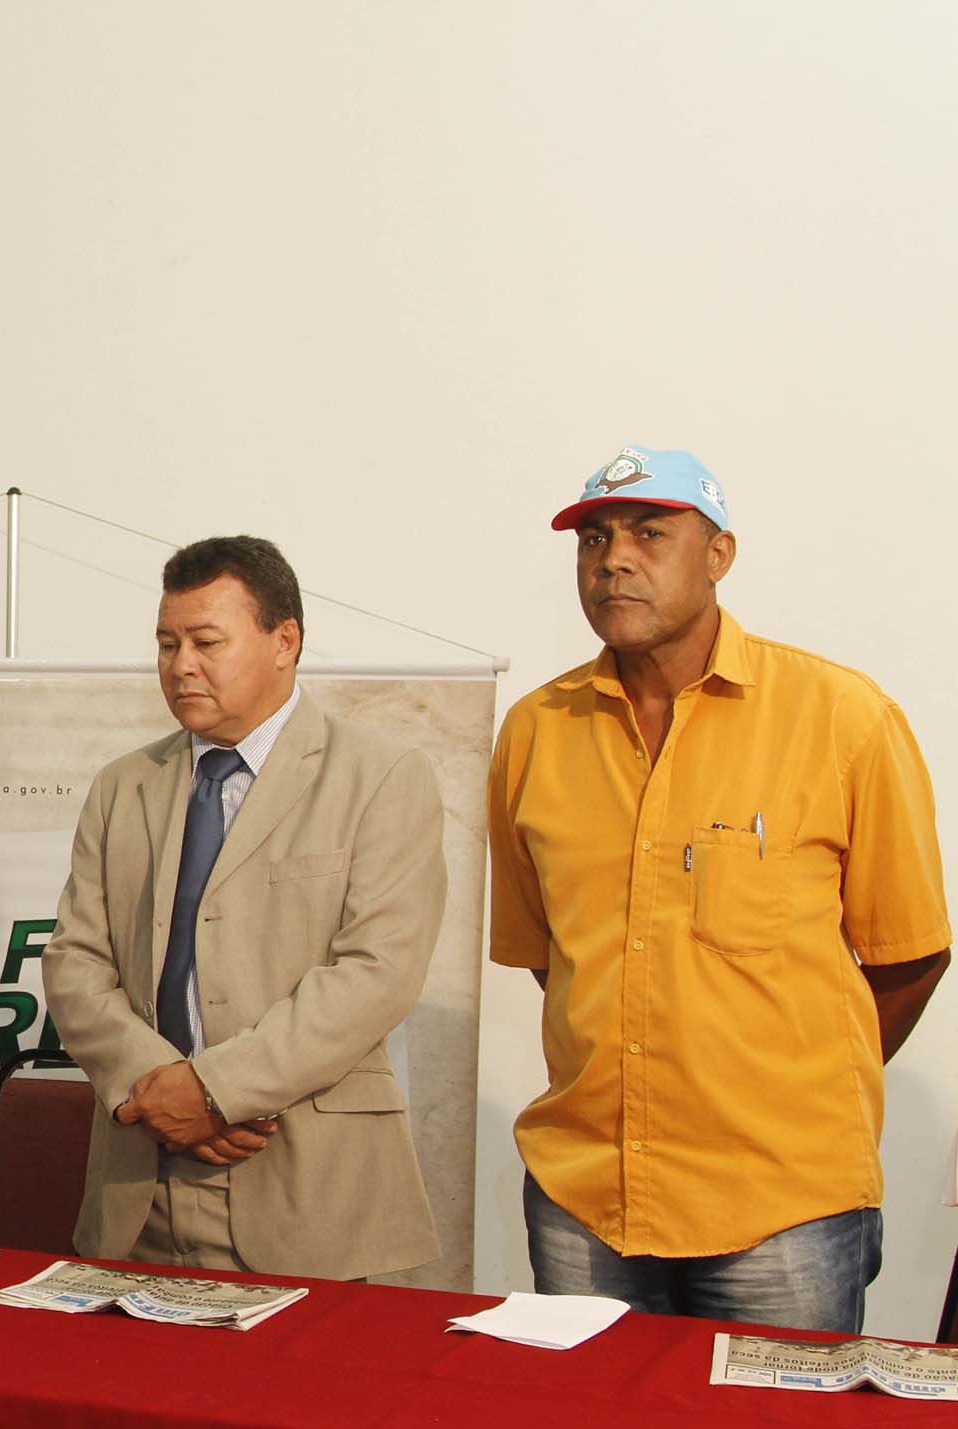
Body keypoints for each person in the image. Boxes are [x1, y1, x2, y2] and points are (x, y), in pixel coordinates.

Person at [488, 447, 948, 1332]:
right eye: (594, 538)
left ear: (719, 554)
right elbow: (554, 958)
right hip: (586, 1197)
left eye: (650, 534)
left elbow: (912, 954)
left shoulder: (842, 718)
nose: (614, 558)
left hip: (782, 1206)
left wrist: (790, 1086)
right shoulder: (537, 732)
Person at [46, 537, 444, 1280]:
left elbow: (377, 972)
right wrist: (156, 1087)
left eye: (205, 642)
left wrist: (214, 1092)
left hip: (304, 1185)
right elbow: (75, 961)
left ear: (284, 640)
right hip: (141, 1183)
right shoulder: (123, 786)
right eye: (166, 644)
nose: (179, 665)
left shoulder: (381, 777)